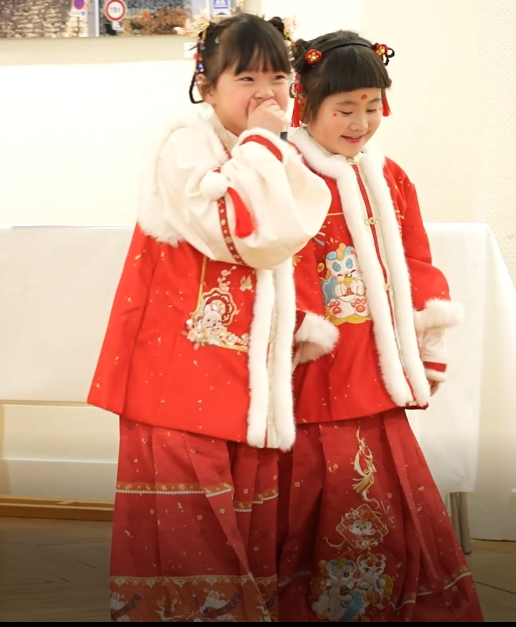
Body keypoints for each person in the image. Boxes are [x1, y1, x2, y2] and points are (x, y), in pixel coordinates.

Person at [86, 12, 336, 623]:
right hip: (178, 363)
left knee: (245, 517)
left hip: (244, 367)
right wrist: (261, 145)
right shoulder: (184, 144)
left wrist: (264, 146)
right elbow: (241, 233)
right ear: (207, 85)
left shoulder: (269, 146)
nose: (266, 94)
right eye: (246, 78)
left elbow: (299, 219)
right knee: (194, 521)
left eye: (278, 78)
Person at [277, 30, 484, 622]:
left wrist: (428, 333)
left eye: (371, 107)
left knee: (380, 487)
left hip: (374, 360)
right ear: (305, 101)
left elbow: (416, 257)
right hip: (314, 363)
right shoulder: (284, 171)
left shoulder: (388, 175)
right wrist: (302, 328)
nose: (360, 123)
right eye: (345, 108)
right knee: (315, 481)